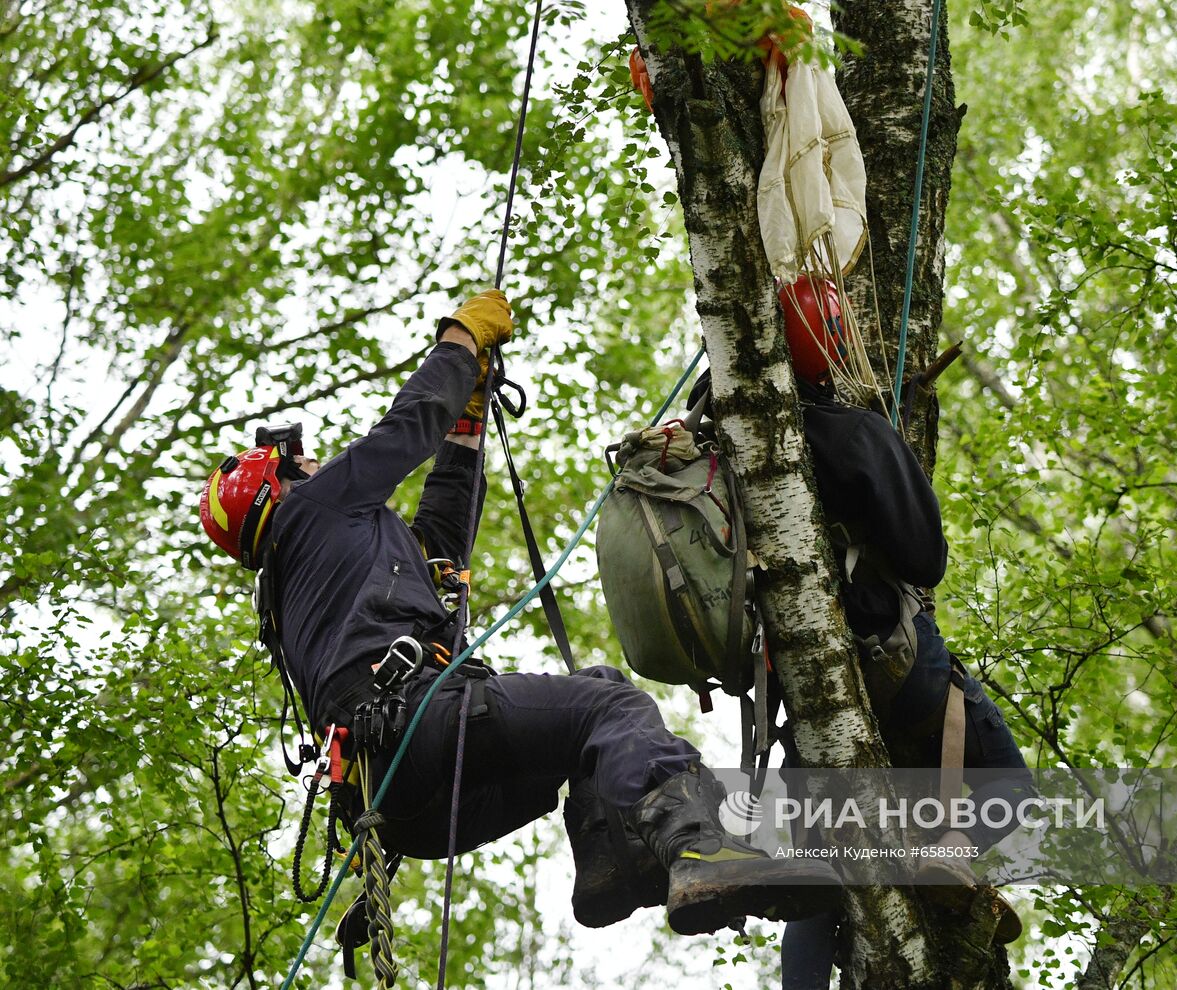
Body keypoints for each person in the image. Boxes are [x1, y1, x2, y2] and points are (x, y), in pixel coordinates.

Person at [198, 289, 841, 939]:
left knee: (599, 694)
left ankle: (612, 865)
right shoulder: (312, 511)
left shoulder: (315, 578)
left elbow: (441, 542)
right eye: (301, 464)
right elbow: (412, 422)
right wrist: (459, 339)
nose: (316, 462)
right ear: (274, 490)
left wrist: (469, 419)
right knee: (614, 714)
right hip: (417, 726)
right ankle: (702, 847)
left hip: (411, 805)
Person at [686, 279, 1033, 987]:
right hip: (890, 662)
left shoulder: (705, 447)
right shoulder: (849, 432)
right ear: (826, 345)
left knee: (817, 877)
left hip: (787, 689)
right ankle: (943, 846)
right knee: (1019, 798)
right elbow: (924, 559)